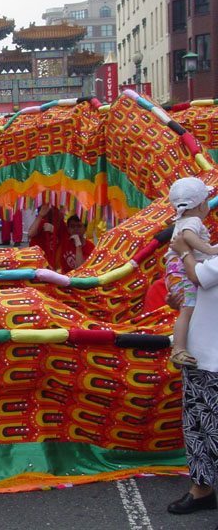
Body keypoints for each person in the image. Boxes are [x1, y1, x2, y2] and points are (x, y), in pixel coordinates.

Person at [166, 231, 218, 517]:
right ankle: (202, 490)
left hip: (215, 360)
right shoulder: (213, 250)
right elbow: (196, 286)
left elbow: (199, 276)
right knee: (196, 428)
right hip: (199, 357)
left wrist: (184, 250)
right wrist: (180, 299)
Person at [164, 177, 218, 369]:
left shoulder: (186, 220)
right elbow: (187, 236)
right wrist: (207, 250)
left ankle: (179, 347)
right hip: (180, 268)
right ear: (202, 204)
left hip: (208, 358)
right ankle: (179, 348)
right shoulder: (192, 221)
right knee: (188, 308)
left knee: (187, 308)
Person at [28, 203, 68, 270]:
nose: (61, 212)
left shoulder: (64, 226)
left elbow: (66, 243)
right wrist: (40, 215)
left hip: (56, 265)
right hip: (40, 261)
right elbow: (30, 233)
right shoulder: (43, 222)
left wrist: (54, 232)